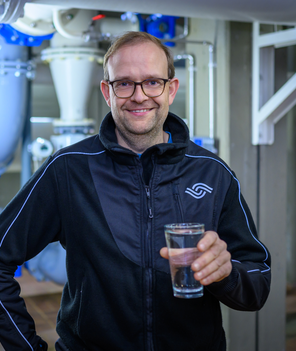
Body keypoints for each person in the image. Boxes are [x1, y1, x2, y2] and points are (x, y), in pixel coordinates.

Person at [0, 31, 271, 351]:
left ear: (171, 89)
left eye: (153, 82)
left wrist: (227, 274)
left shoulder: (212, 173)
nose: (139, 95)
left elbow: (258, 285)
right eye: (124, 83)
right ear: (107, 91)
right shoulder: (68, 170)